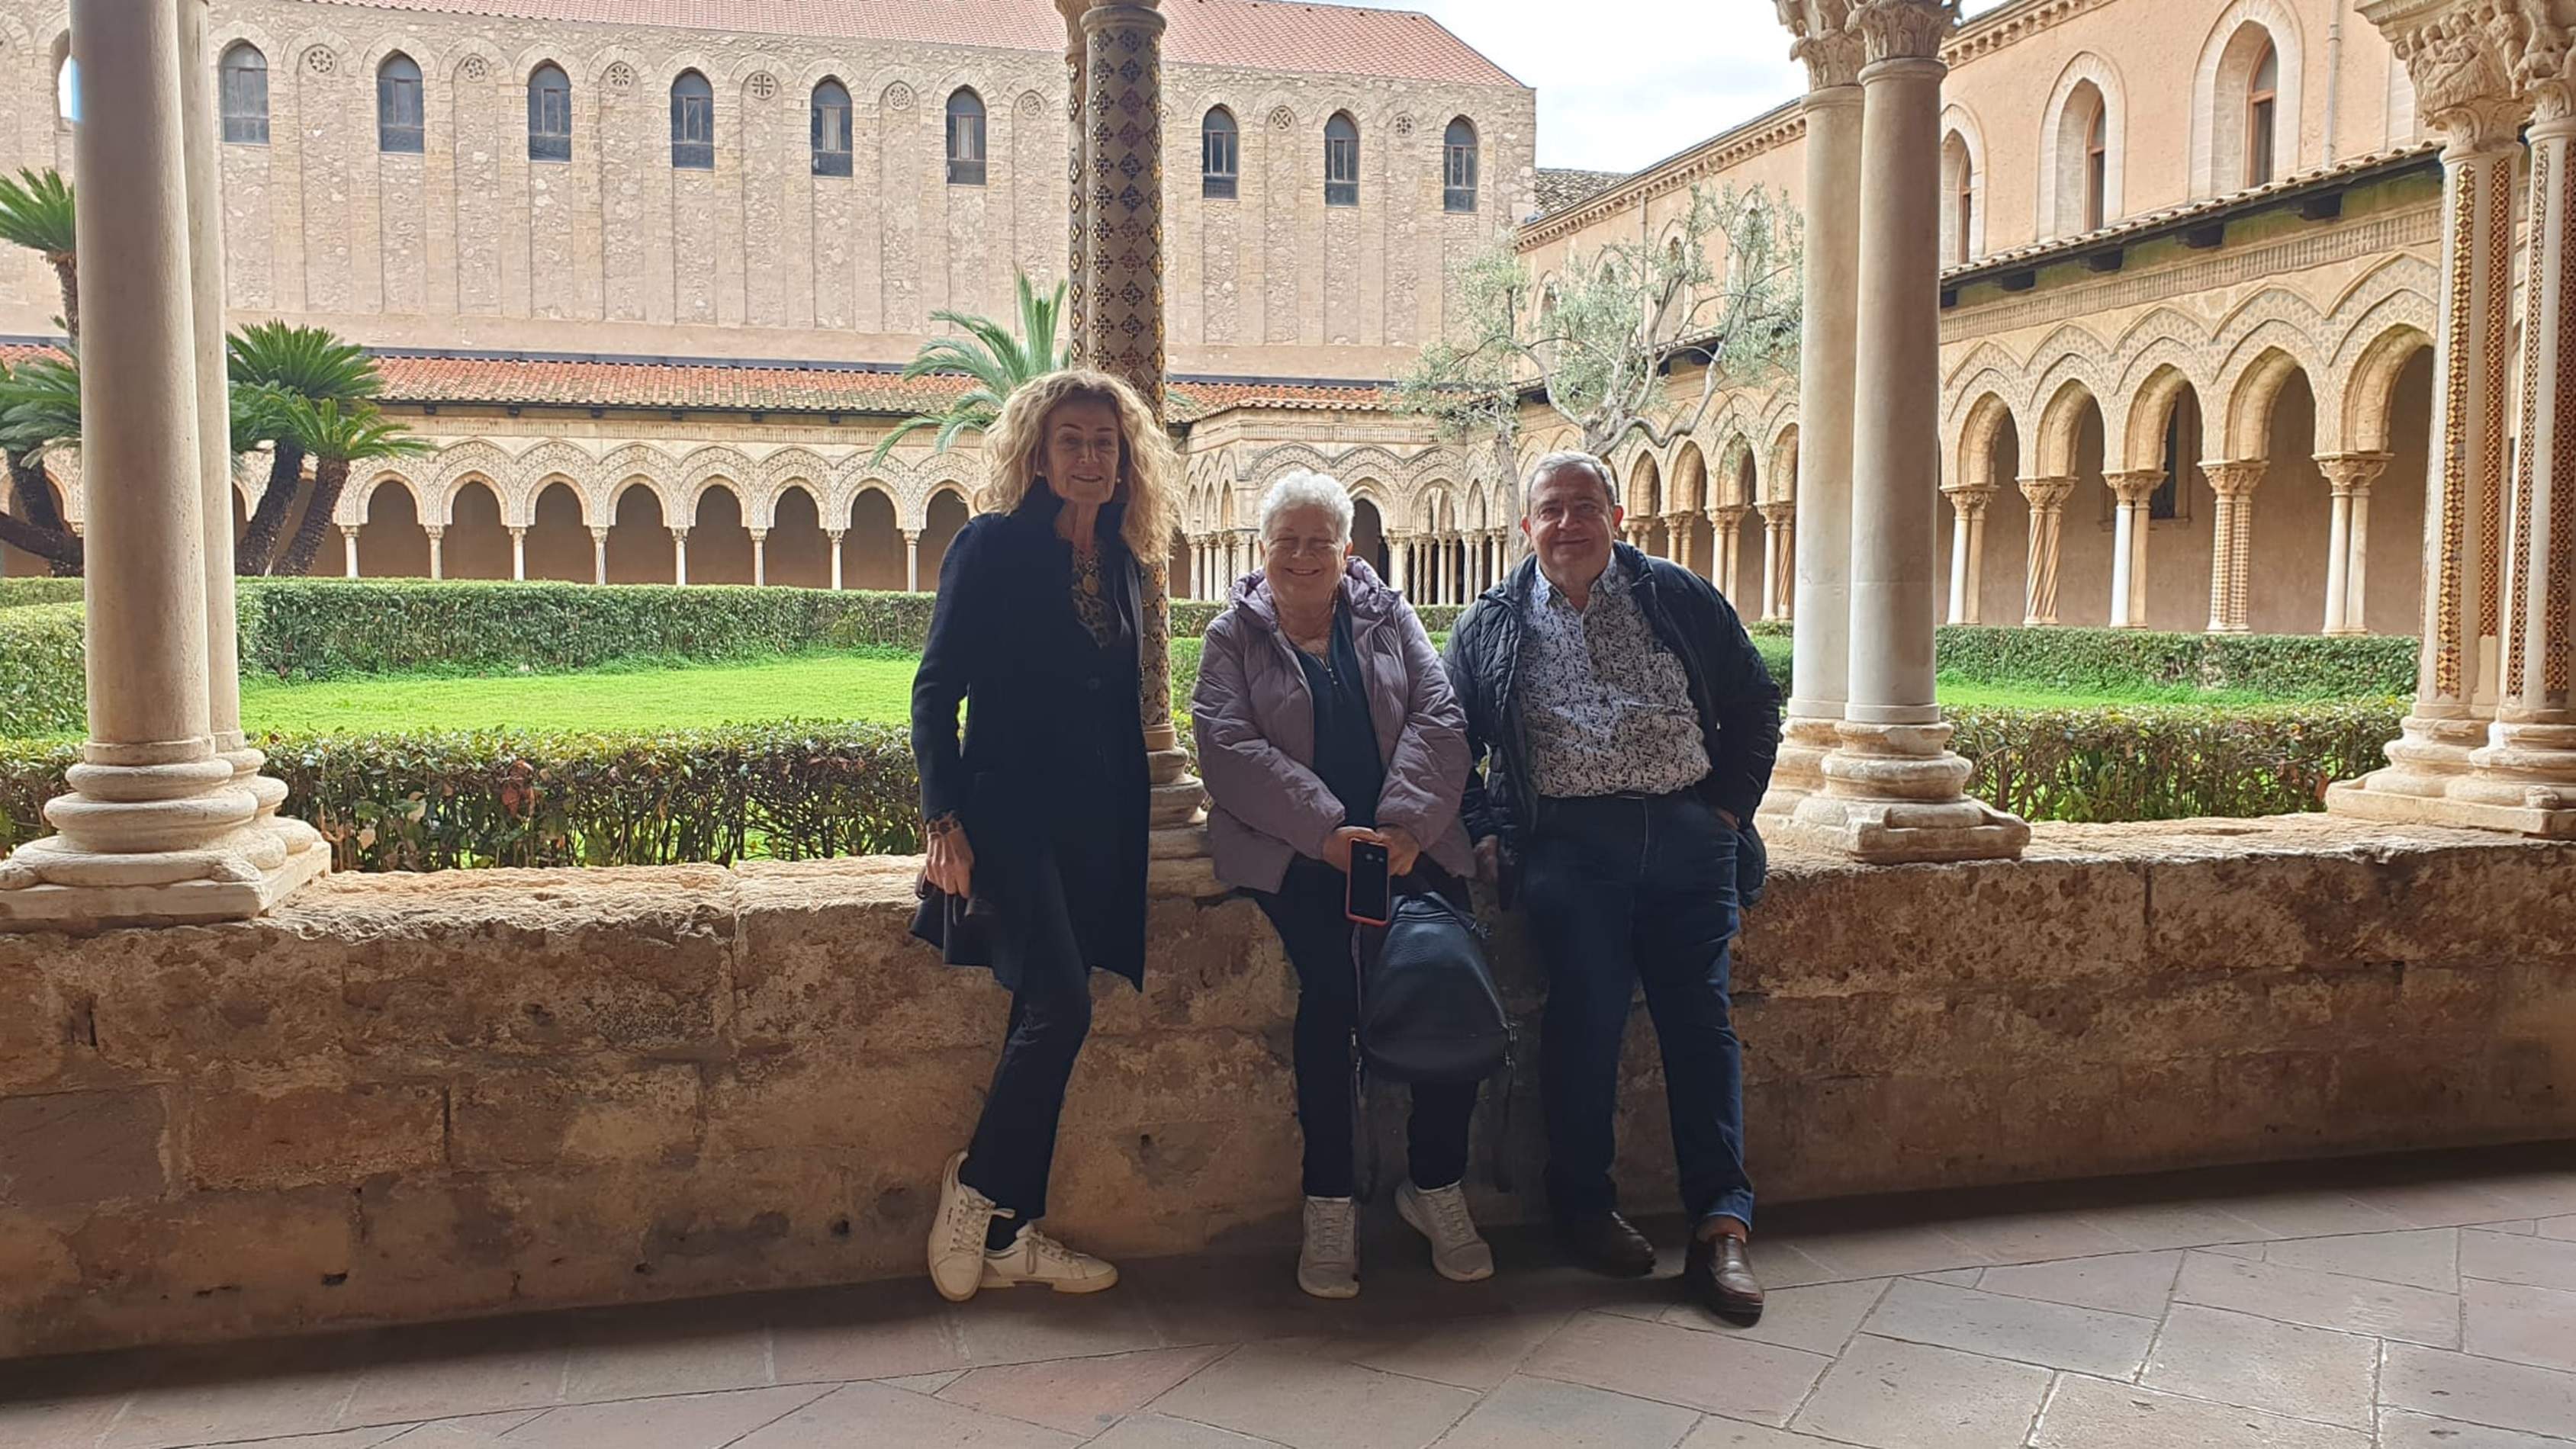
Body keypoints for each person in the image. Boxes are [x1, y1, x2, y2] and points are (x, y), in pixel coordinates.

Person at [1442, 449, 1781, 1324]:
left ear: (1617, 516)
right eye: (1549, 509)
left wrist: (1726, 813)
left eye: (1584, 505)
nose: (1567, 524)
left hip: (1685, 834)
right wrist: (1485, 832)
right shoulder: (1492, 623)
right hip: (1571, 844)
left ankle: (1720, 1226)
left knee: (1700, 1026)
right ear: (1525, 527)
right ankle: (1583, 1210)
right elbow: (1447, 745)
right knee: (1584, 1024)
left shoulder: (1675, 594)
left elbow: (1751, 700)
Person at [911, 368, 1177, 1303]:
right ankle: (975, 1187)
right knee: (1061, 1004)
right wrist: (943, 821)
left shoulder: (1127, 567)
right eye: (1071, 439)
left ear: (1125, 458)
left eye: (1105, 442)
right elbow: (934, 690)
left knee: (1043, 1014)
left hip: (1094, 825)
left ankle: (1012, 1233)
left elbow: (1120, 711)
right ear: (1036, 451)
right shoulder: (988, 547)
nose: (1090, 457)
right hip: (1009, 814)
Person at [1192, 469, 1491, 1300]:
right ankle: (1328, 1200)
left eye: (1317, 540)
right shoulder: (1232, 638)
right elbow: (1225, 747)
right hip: (1297, 858)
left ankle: (1434, 1185)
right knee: (1328, 1004)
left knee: (1445, 983)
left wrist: (1399, 828)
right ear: (1261, 551)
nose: (1300, 555)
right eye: (1285, 540)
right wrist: (1326, 831)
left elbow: (1440, 718)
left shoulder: (1392, 620)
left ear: (1345, 549)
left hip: (1407, 848)